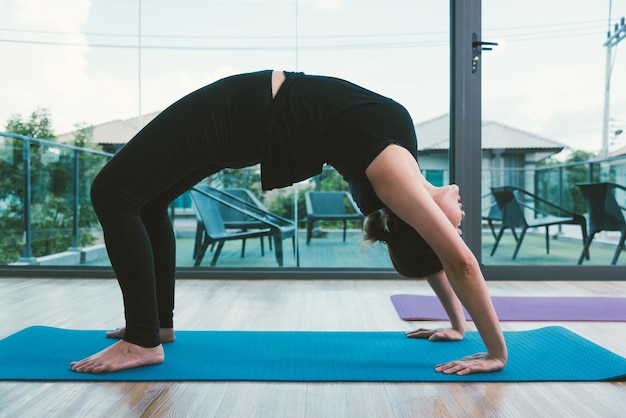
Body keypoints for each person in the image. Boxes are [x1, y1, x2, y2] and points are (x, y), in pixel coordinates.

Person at [70, 70, 507, 376]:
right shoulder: (403, 182)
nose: (461, 222)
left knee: (111, 192)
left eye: (454, 230)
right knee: (148, 202)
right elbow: (436, 257)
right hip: (252, 122)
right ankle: (155, 327)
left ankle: (143, 341)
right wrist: (457, 324)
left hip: (241, 112)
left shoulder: (395, 179)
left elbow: (459, 263)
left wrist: (495, 352)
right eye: (457, 228)